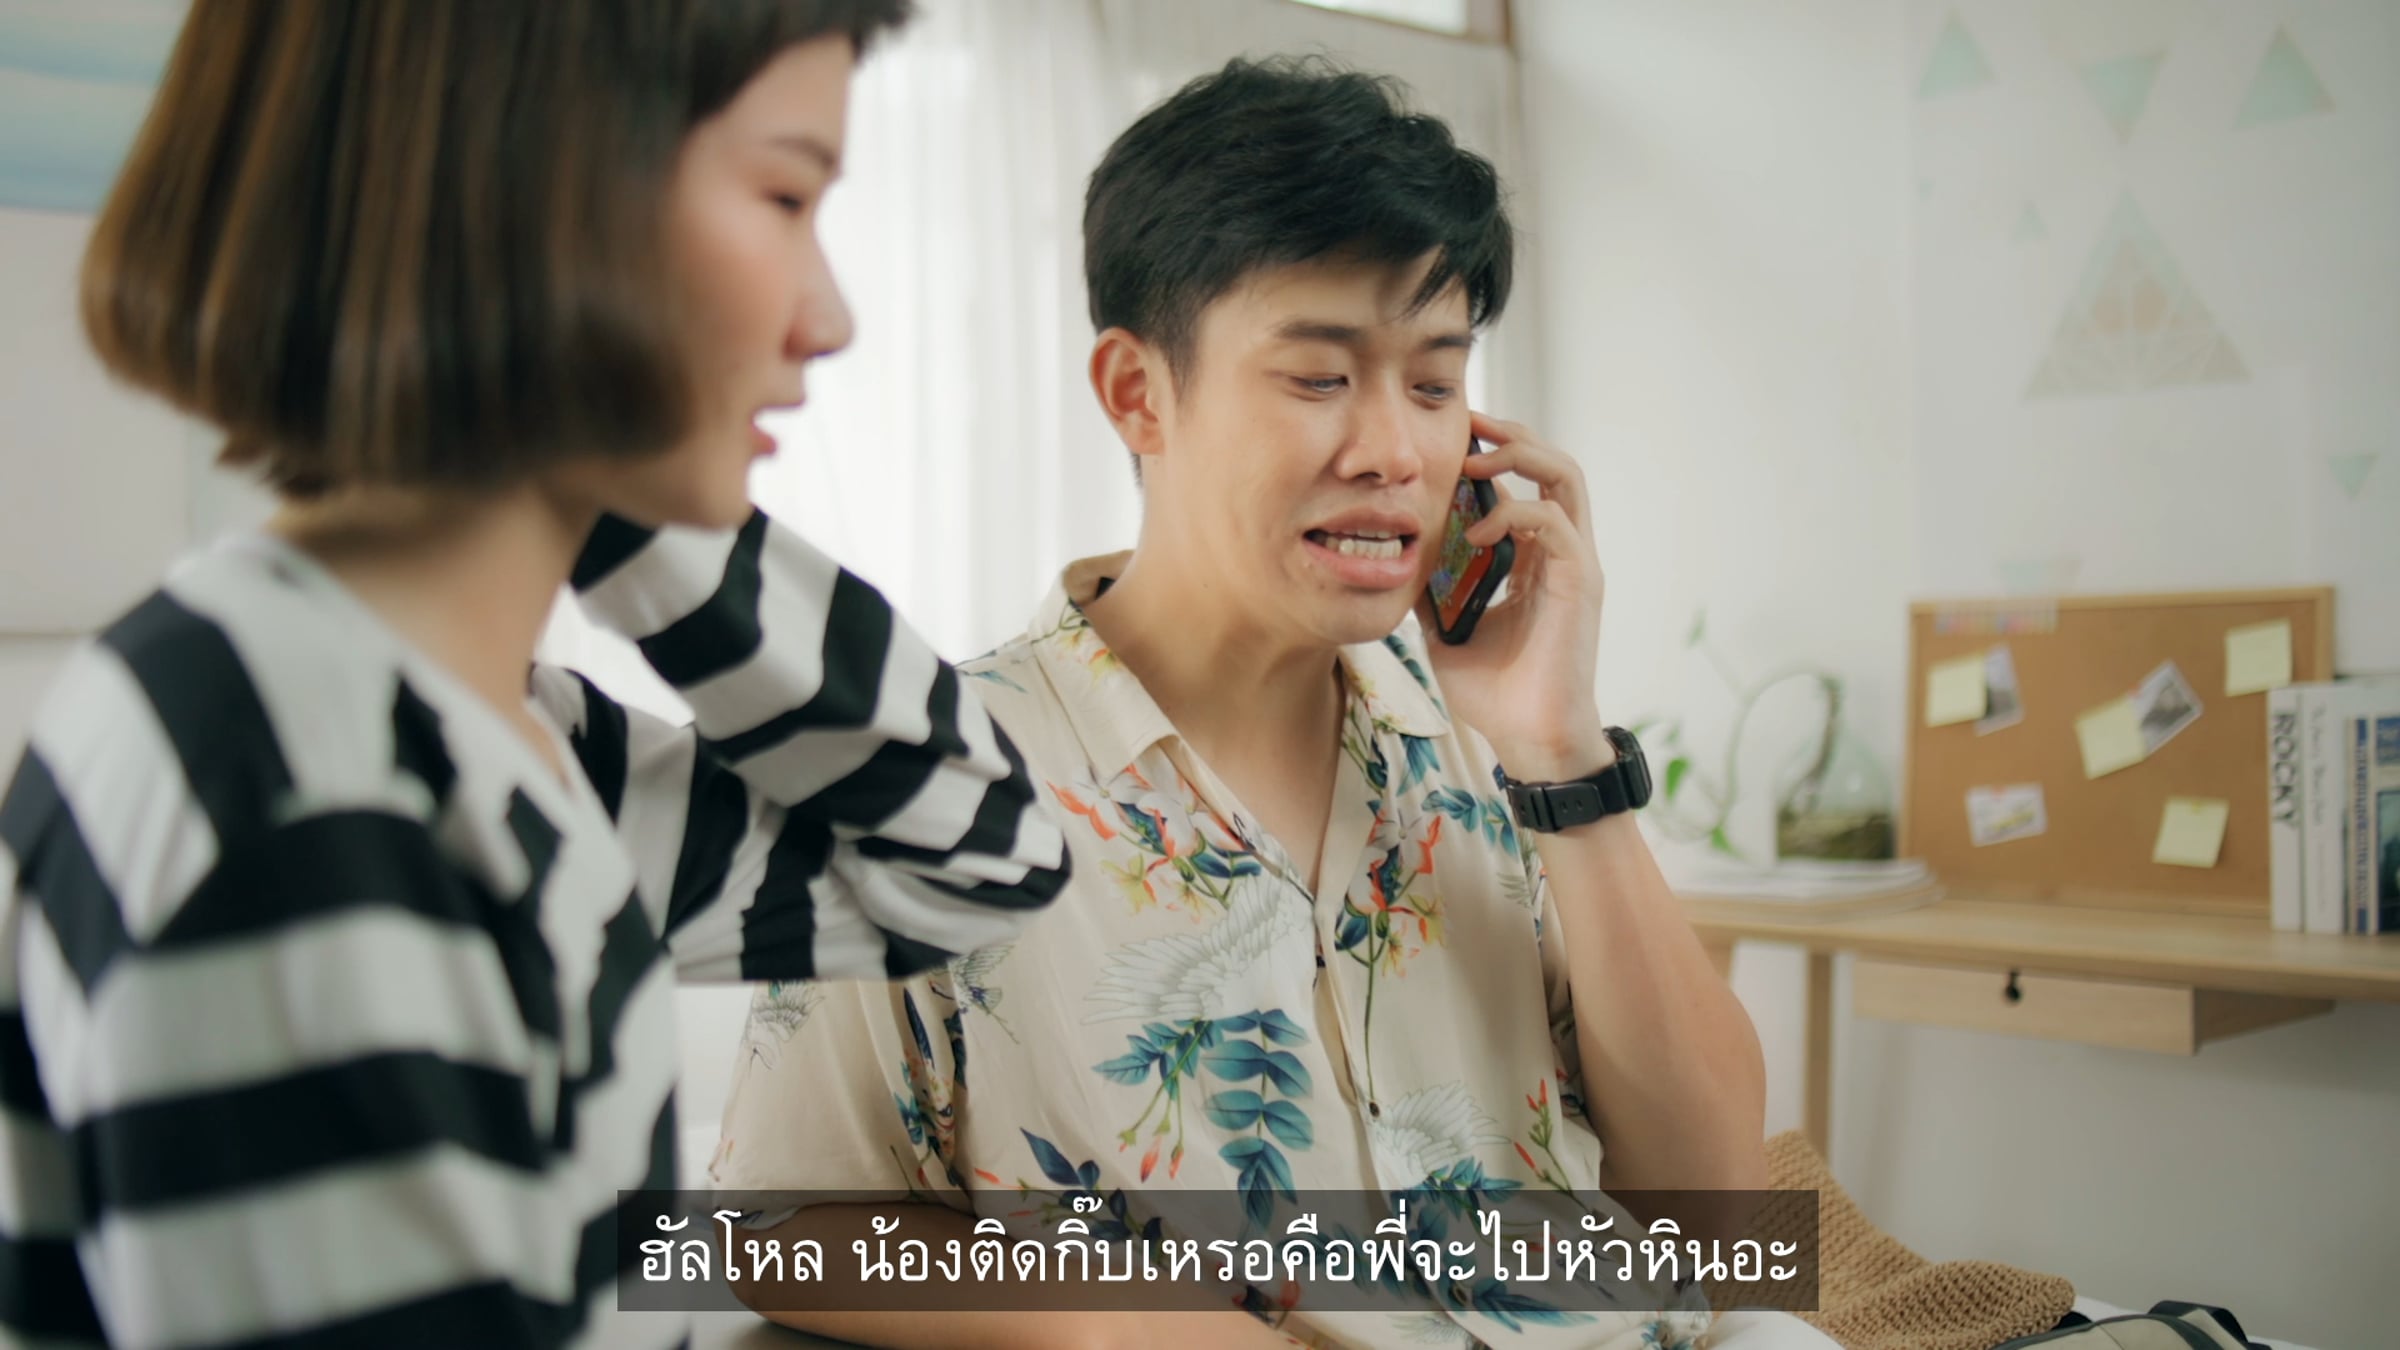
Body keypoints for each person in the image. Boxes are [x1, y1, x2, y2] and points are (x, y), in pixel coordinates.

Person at [0, 3, 1066, 1347]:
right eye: (785, 197)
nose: (830, 316)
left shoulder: (496, 735)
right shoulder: (311, 786)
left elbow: (985, 860)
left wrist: (599, 472)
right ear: (529, 202)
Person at [713, 57, 1804, 1350]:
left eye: (1436, 384)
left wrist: (1562, 753)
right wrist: (1117, 1320)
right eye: (1320, 378)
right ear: (1137, 393)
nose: (1396, 452)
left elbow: (1719, 1219)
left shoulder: (1490, 747)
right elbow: (765, 1228)